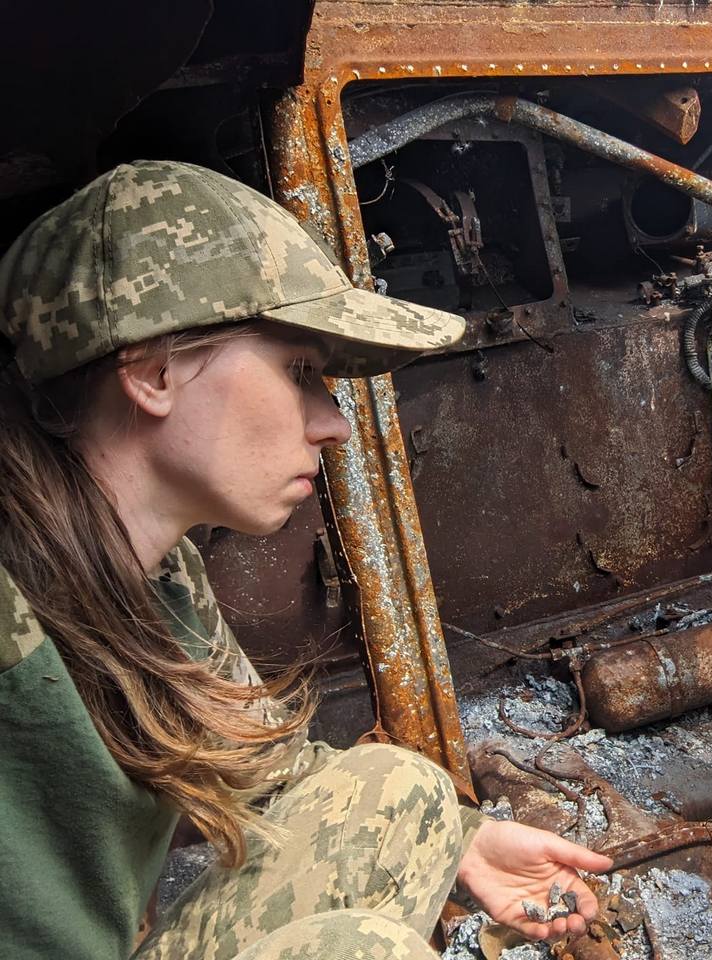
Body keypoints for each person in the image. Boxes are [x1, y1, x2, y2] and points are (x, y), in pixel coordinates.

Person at [0, 160, 612, 960]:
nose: (334, 424)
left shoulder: (156, 572)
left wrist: (465, 845)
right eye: (299, 372)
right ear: (153, 369)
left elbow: (268, 765)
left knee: (404, 793)